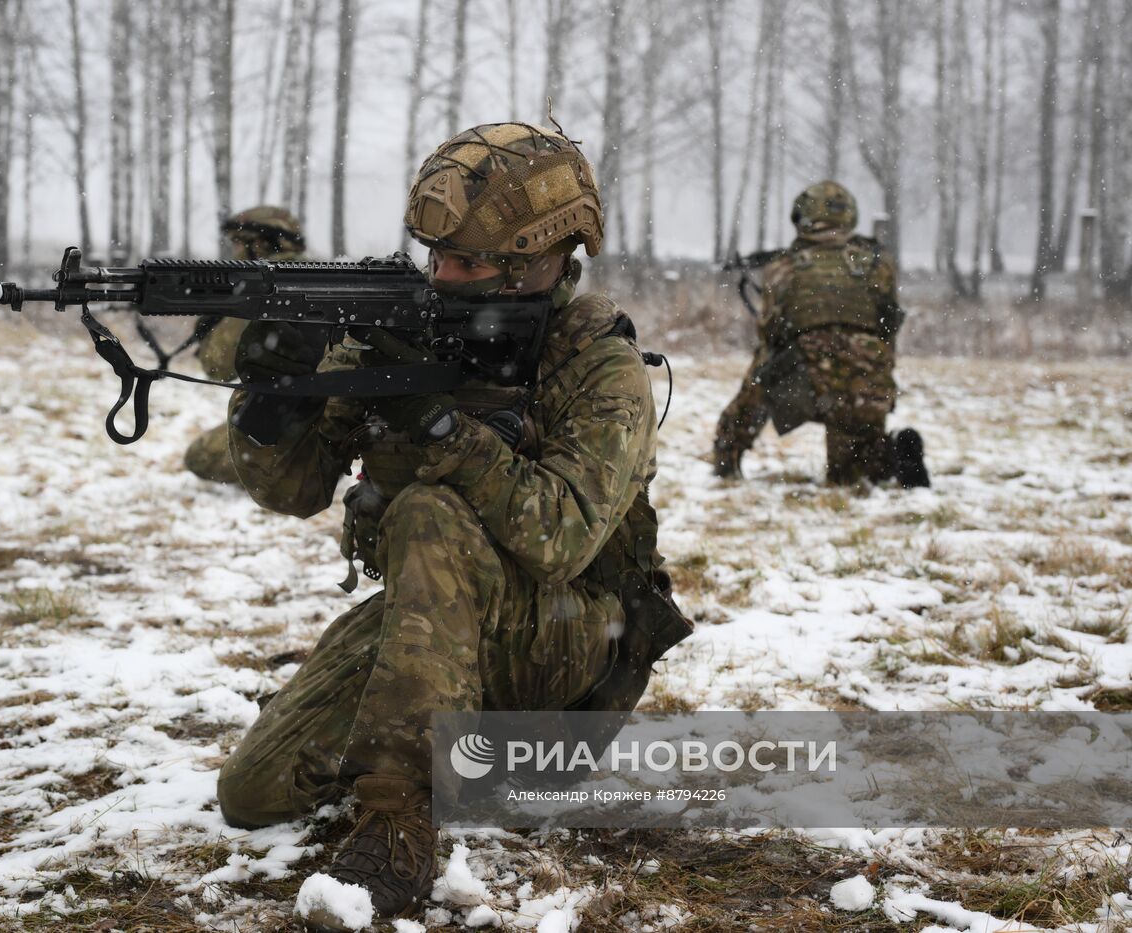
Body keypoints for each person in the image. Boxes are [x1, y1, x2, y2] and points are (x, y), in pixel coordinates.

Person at [216, 123, 690, 928]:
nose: (441, 277)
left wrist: (442, 431)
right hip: (437, 620)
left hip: (570, 647)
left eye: (466, 262)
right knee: (251, 793)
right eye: (434, 256)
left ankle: (398, 820)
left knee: (429, 511)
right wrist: (271, 399)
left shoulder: (597, 366)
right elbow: (293, 489)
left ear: (539, 260)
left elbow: (562, 536)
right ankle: (442, 745)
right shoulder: (406, 331)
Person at [712, 180, 930, 487]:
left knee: (761, 377)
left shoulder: (784, 267)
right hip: (866, 386)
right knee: (851, 476)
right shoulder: (878, 264)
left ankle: (727, 460)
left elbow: (770, 336)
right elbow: (887, 331)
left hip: (811, 383)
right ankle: (892, 454)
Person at [183, 206, 308, 485]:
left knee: (201, 456)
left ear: (260, 243)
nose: (235, 250)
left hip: (298, 418)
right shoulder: (313, 273)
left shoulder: (264, 287)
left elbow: (218, 367)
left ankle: (294, 468)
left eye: (239, 242)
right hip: (334, 415)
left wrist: (218, 319)